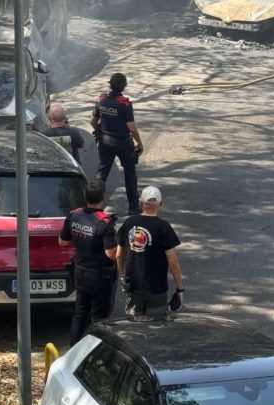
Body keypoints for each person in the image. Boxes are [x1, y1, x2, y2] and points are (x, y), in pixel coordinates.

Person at [59, 180, 118, 345]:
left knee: (80, 313)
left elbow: (62, 242)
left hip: (80, 271)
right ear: (103, 198)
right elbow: (111, 254)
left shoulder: (74, 215)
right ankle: (95, 352)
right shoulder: (105, 222)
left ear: (85, 196)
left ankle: (74, 349)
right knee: (100, 317)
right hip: (99, 275)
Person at [116, 185, 184, 320]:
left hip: (133, 288)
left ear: (141, 204)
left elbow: (118, 254)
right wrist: (180, 289)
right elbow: (173, 262)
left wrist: (122, 276)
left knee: (133, 328)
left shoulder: (129, 223)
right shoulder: (164, 227)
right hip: (156, 289)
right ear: (160, 204)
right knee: (155, 330)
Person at [91, 72, 144, 215]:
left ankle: (93, 206)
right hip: (122, 144)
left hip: (105, 142)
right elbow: (132, 128)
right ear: (124, 86)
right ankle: (133, 207)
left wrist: (100, 132)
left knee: (102, 173)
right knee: (130, 173)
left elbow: (93, 121)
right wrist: (140, 143)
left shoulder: (101, 100)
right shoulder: (125, 104)